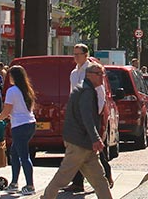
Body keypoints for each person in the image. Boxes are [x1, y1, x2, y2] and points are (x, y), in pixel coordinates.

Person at [41, 62, 112, 199]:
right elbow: (87, 117)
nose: (102, 77)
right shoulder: (86, 92)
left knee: (99, 179)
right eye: (99, 74)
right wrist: (96, 138)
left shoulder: (85, 89)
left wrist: (93, 139)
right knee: (63, 177)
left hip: (85, 144)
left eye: (102, 74)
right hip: (79, 143)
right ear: (90, 75)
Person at [0, 65, 37, 195]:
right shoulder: (27, 90)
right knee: (15, 152)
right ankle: (14, 183)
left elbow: (7, 110)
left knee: (23, 155)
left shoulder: (12, 91)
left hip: (19, 125)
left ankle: (30, 185)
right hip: (30, 123)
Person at [63, 43, 92, 193]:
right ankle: (78, 182)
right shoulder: (73, 73)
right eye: (74, 54)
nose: (75, 57)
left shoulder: (92, 70)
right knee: (78, 148)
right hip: (76, 115)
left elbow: (99, 93)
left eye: (78, 54)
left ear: (86, 55)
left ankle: (106, 175)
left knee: (92, 147)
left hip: (88, 114)